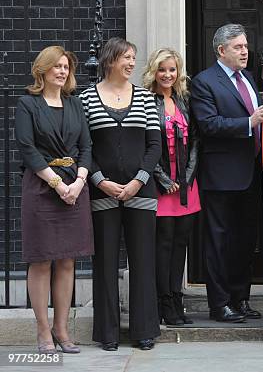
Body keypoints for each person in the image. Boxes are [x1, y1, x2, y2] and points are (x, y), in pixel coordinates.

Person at [79, 37, 162, 351]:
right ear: (110, 60)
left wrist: (139, 180)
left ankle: (144, 331)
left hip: (140, 191)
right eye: (126, 57)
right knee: (105, 262)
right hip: (103, 193)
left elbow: (154, 146)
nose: (131, 63)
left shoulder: (145, 97)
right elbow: (84, 147)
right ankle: (108, 333)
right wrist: (100, 181)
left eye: (133, 58)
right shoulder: (87, 98)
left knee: (143, 261)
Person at [190, 23, 263, 323]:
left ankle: (241, 298)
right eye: (238, 47)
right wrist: (249, 122)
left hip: (252, 172)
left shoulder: (248, 78)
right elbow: (209, 125)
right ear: (221, 50)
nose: (245, 51)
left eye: (246, 46)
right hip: (221, 175)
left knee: (245, 241)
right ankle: (219, 303)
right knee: (219, 241)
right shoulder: (204, 82)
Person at [16, 46, 94, 354]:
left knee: (67, 260)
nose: (62, 71)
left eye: (65, 67)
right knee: (41, 259)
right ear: (42, 70)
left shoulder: (76, 105)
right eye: (56, 66)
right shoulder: (27, 104)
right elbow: (27, 147)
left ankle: (62, 330)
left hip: (75, 187)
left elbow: (87, 146)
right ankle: (43, 330)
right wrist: (57, 184)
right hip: (41, 188)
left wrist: (79, 181)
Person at [143, 48, 200, 326]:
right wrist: (164, 180)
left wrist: (186, 176)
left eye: (172, 70)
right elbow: (146, 145)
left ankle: (177, 299)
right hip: (160, 185)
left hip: (187, 185)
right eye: (162, 69)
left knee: (181, 243)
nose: (167, 75)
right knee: (163, 243)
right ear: (154, 71)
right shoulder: (144, 101)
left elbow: (195, 142)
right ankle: (163, 301)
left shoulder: (184, 100)